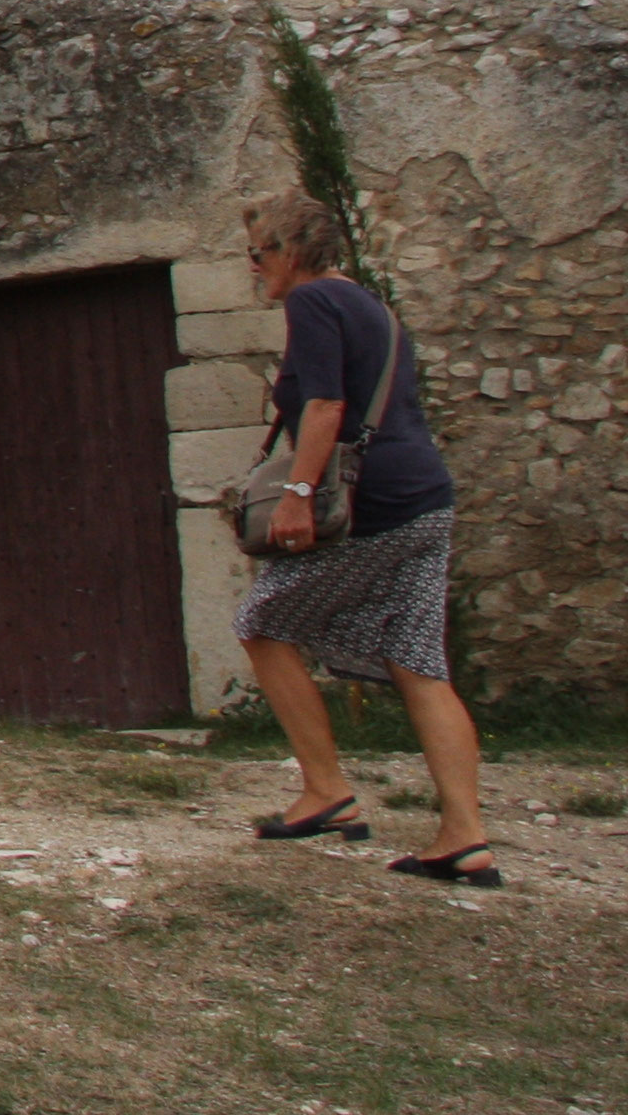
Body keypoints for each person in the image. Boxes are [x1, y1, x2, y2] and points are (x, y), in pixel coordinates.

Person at [231, 187, 495, 886]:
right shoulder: (371, 304)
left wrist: (297, 495)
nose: (255, 267)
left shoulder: (312, 302)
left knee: (261, 621)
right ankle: (464, 838)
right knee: (419, 663)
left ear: (291, 250)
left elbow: (326, 404)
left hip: (370, 504)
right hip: (425, 497)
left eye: (259, 254)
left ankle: (327, 792)